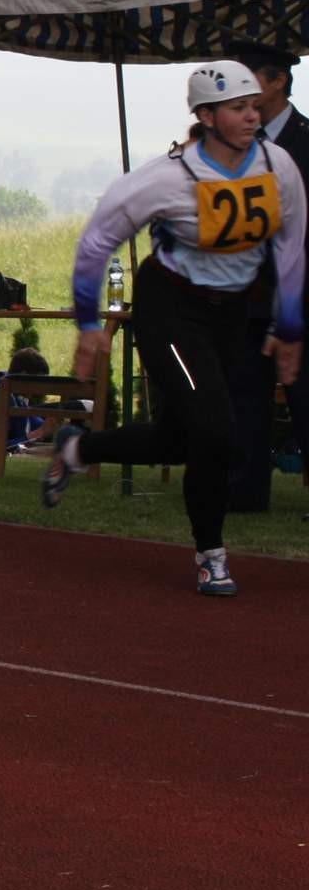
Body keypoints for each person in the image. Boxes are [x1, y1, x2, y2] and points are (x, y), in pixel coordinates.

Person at [43, 61, 304, 597]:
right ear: (206, 117)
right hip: (172, 310)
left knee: (179, 439)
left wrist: (290, 325)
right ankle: (212, 556)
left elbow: (292, 244)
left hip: (234, 313)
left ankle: (78, 450)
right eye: (238, 108)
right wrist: (89, 323)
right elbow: (97, 242)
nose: (252, 116)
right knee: (216, 431)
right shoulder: (167, 178)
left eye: (254, 106)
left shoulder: (276, 165)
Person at [225, 39, 309, 511]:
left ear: (277, 81)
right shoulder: (233, 145)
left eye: (249, 78)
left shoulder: (305, 140)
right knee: (245, 394)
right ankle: (245, 493)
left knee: (305, 394)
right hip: (246, 291)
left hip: (298, 294)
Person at [0, 347, 73, 454]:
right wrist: (38, 433)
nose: (39, 389)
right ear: (23, 375)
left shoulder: (16, 394)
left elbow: (35, 423)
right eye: (38, 382)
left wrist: (55, 425)